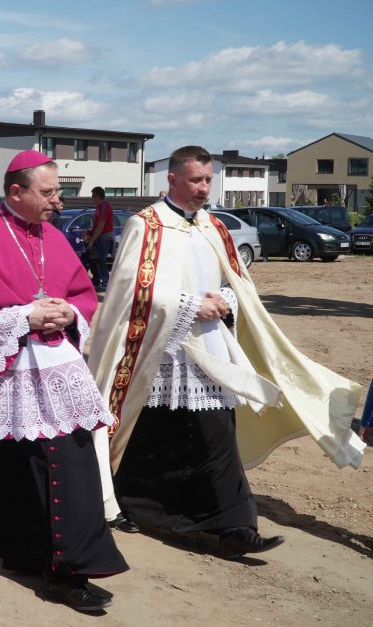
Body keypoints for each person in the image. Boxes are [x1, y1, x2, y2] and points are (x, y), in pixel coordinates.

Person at [87, 145, 365, 561]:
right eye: (196, 180)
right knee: (154, 434)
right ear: (173, 180)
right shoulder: (146, 226)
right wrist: (188, 304)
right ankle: (146, 505)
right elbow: (129, 291)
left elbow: (239, 285)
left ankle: (234, 524)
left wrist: (226, 302)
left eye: (208, 179)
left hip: (209, 347)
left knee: (215, 433)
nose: (204, 188)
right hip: (159, 352)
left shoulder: (212, 226)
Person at [0, 150, 127, 612]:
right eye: (49, 192)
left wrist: (70, 311)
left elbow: (82, 293)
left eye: (58, 191)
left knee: (65, 453)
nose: (57, 201)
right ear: (16, 192)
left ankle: (68, 562)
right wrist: (25, 315)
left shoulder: (53, 237)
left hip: (55, 363)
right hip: (4, 365)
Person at [83, 187, 114, 291]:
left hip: (104, 238)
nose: (92, 198)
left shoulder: (104, 207)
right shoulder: (99, 207)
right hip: (99, 237)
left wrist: (91, 240)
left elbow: (101, 226)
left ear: (98, 195)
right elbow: (97, 226)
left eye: (93, 196)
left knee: (101, 260)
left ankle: (105, 284)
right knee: (95, 260)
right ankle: (97, 281)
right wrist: (89, 233)